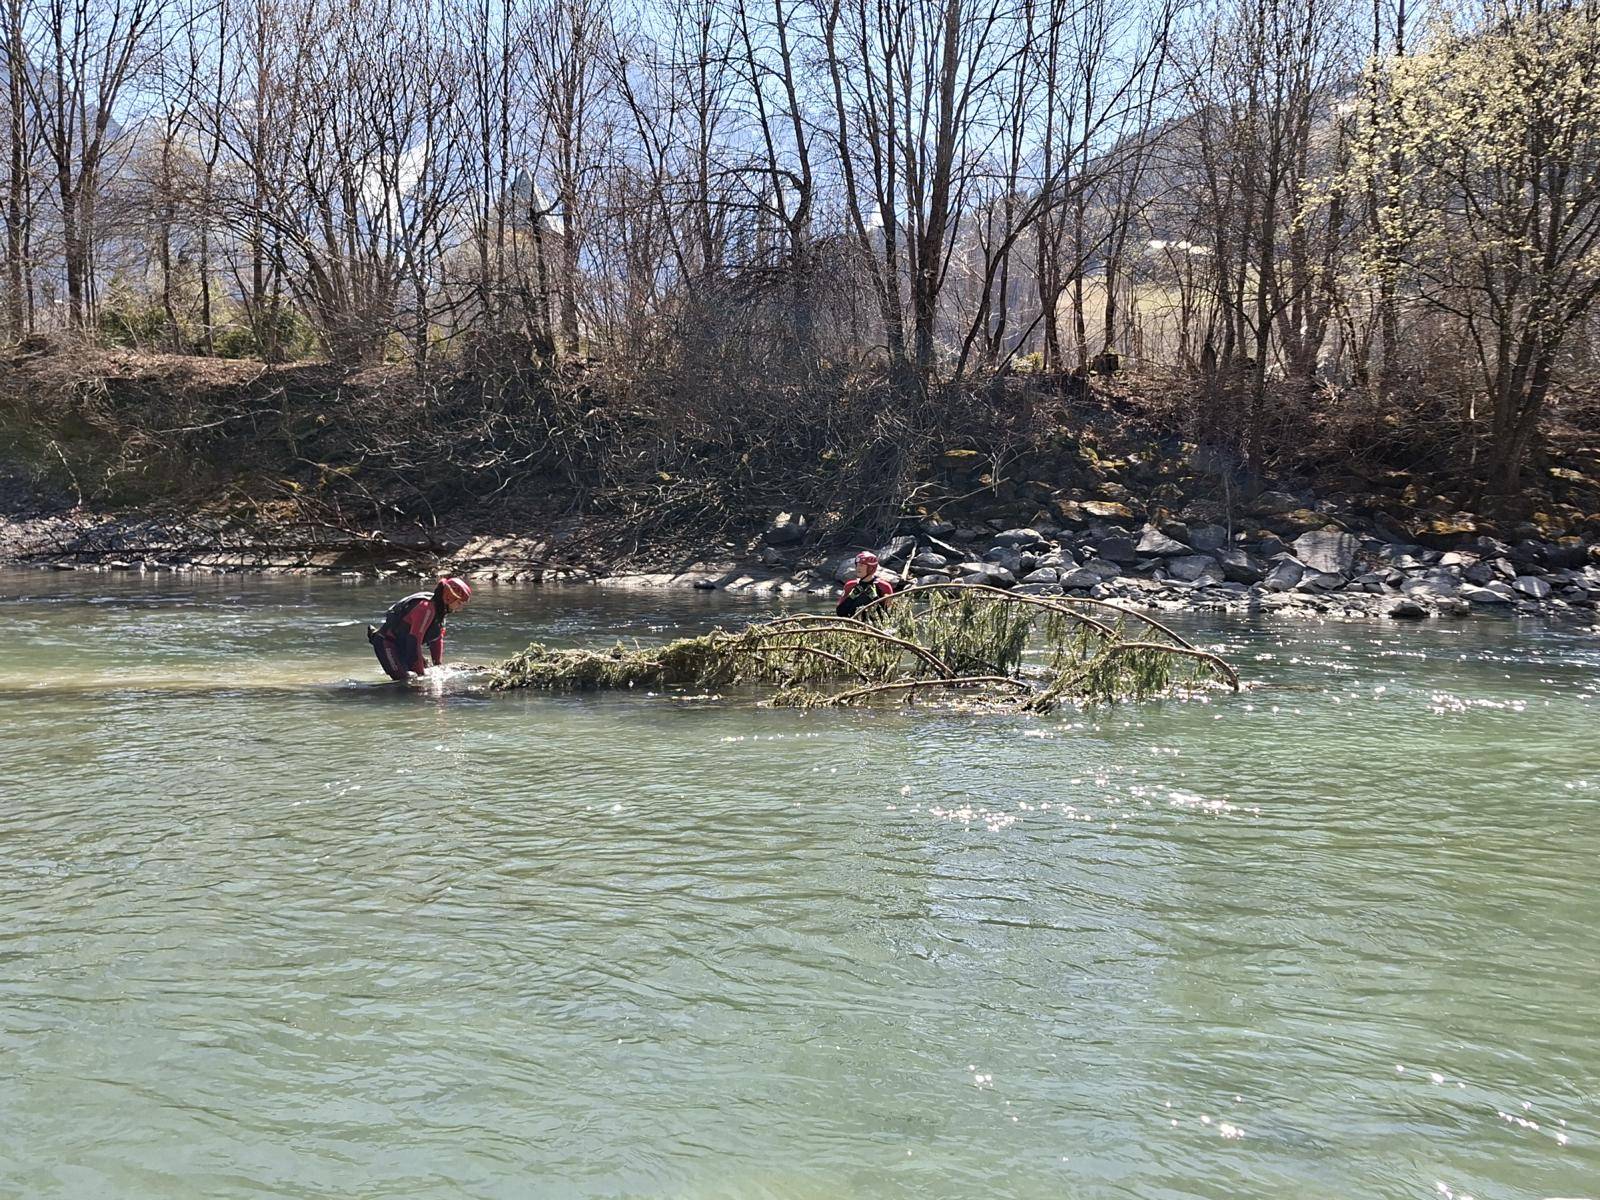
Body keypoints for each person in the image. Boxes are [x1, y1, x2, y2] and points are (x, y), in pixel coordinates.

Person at [367, 576, 471, 681]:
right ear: (448, 598)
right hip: (387, 643)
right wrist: (420, 675)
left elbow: (437, 640)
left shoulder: (440, 611)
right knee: (407, 681)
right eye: (459, 603)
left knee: (430, 672)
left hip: (404, 646)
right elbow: (414, 642)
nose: (460, 608)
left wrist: (438, 666)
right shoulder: (426, 609)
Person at [836, 551, 894, 619]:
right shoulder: (850, 585)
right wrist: (851, 597)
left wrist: (875, 598)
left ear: (871, 568)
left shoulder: (884, 587)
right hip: (854, 624)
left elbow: (889, 615)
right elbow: (839, 613)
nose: (858, 568)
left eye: (862, 565)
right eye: (857, 565)